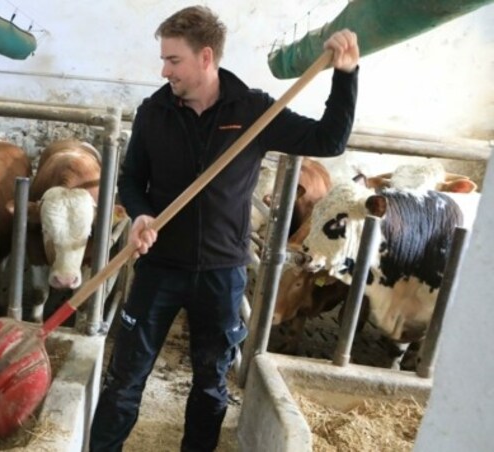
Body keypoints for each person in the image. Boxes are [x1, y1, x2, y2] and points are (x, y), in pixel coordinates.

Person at [89, 5, 359, 452]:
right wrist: (138, 214)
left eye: (173, 60)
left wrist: (345, 76)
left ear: (205, 57)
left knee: (211, 385)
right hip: (158, 268)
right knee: (124, 378)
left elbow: (329, 140)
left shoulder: (253, 111)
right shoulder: (154, 113)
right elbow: (132, 179)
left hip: (221, 273)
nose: (164, 69)